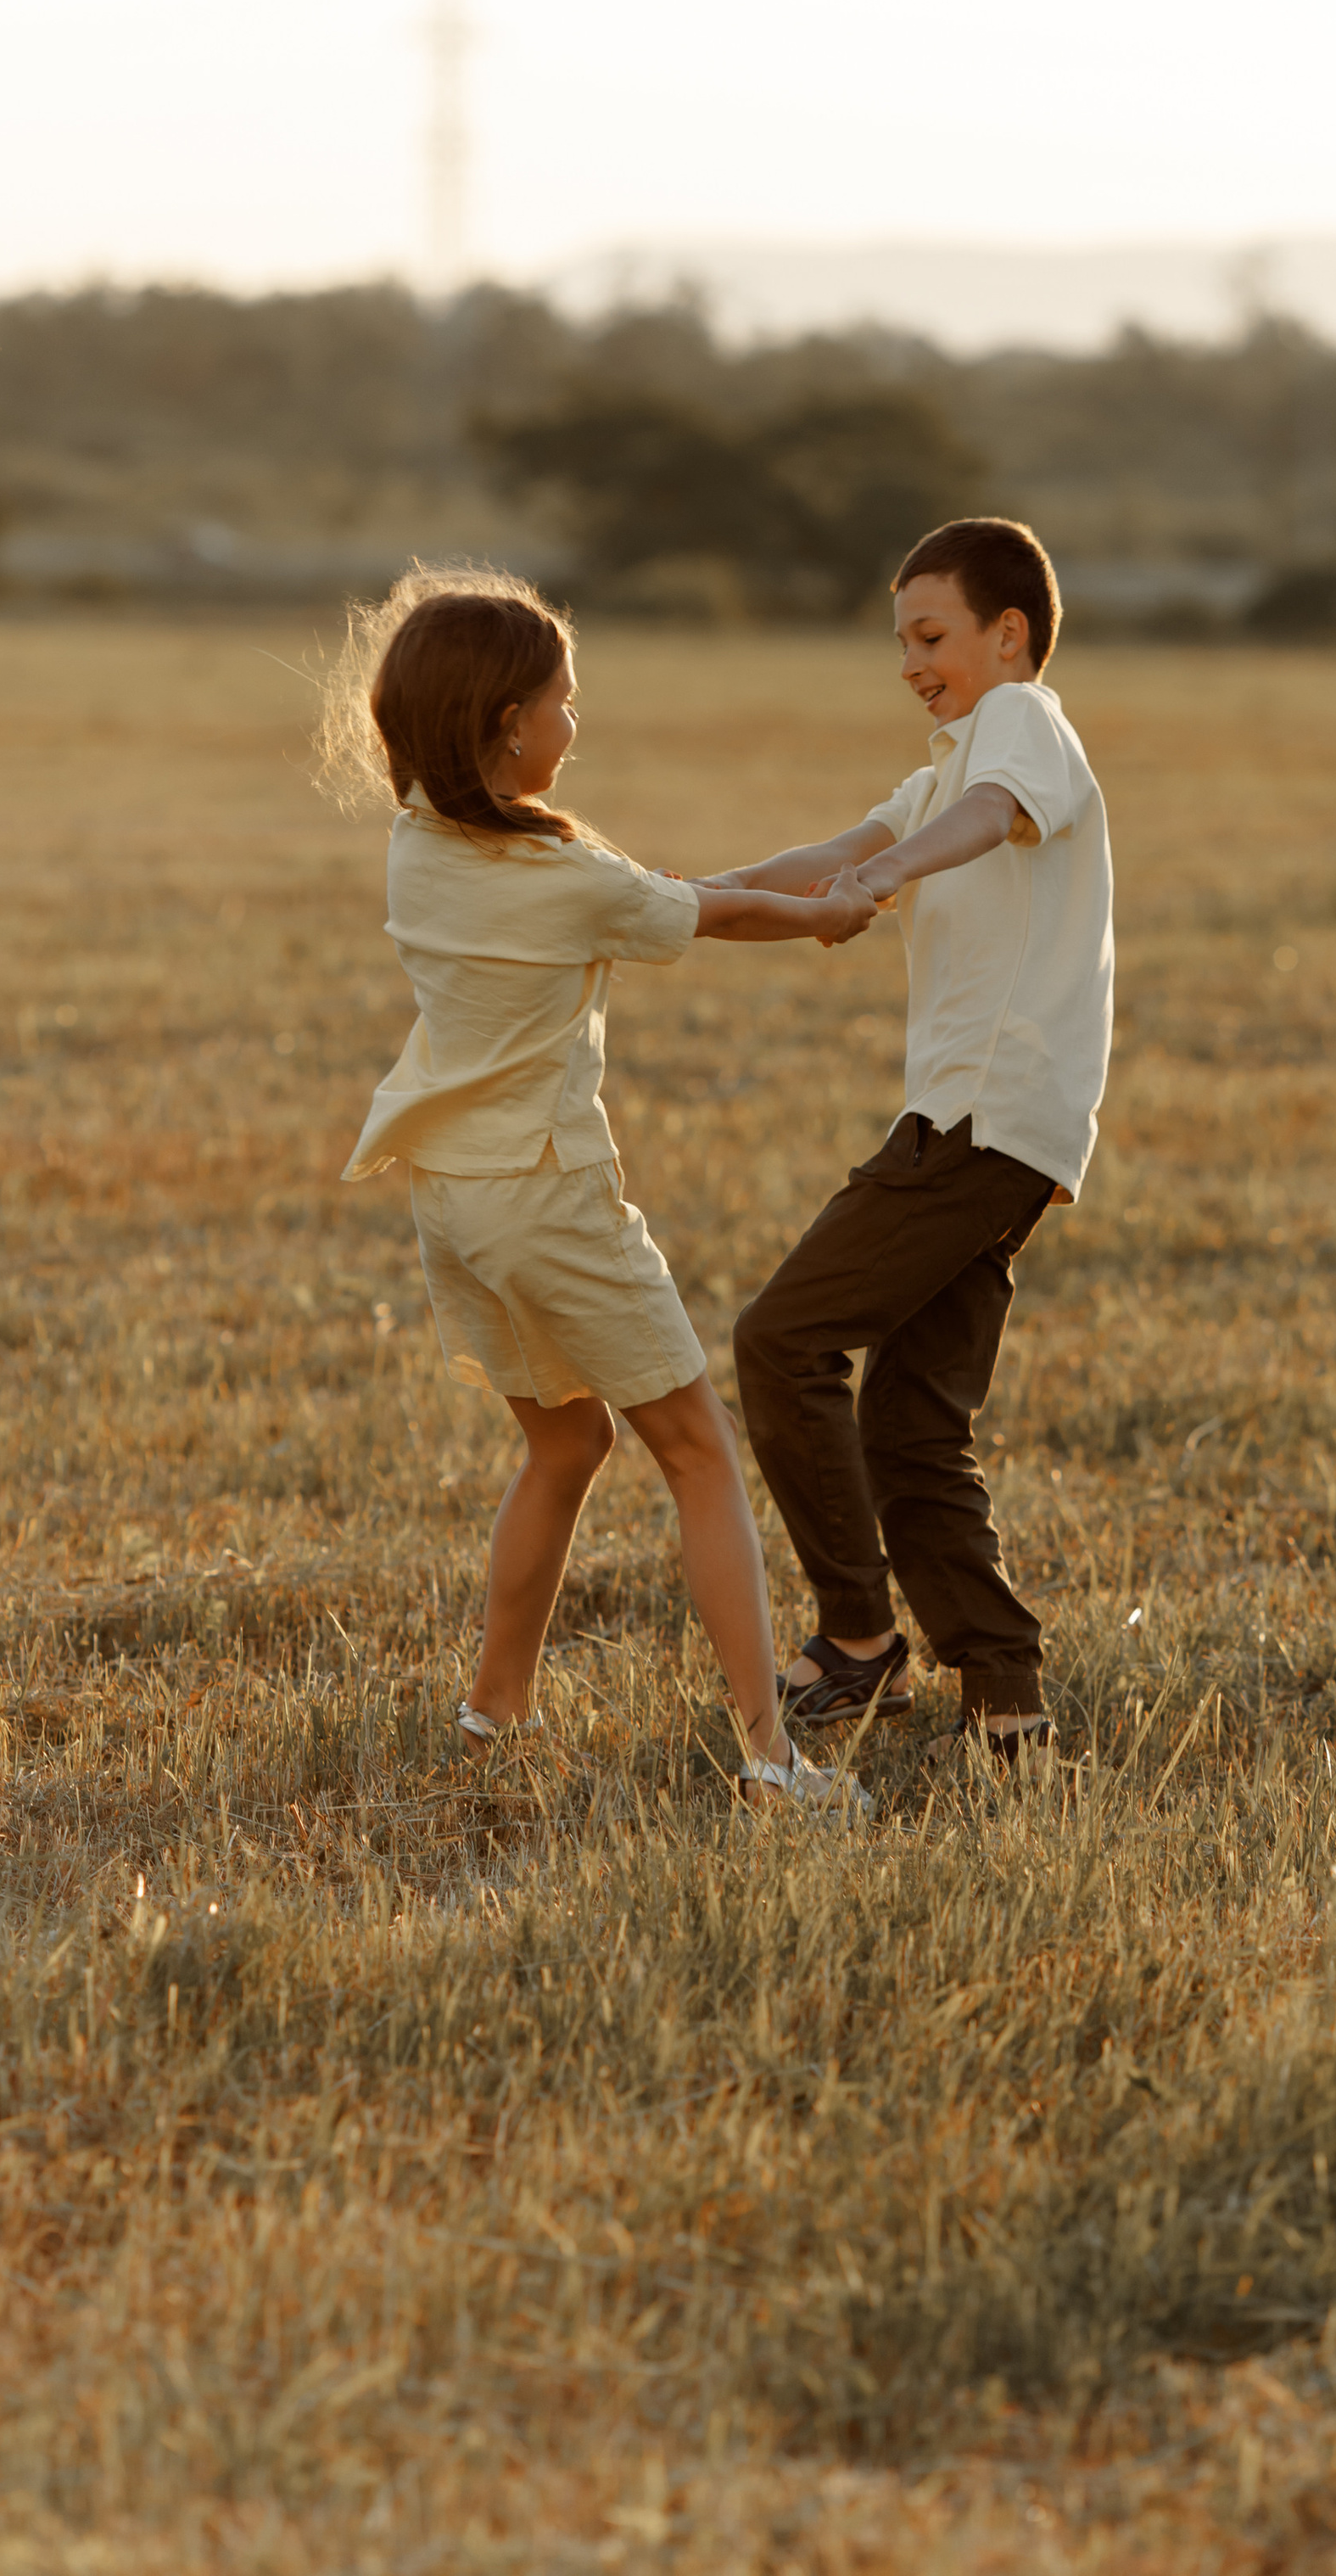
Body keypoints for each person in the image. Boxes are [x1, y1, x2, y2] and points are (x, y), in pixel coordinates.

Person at [319, 563, 875, 1810]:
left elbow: (672, 901)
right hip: (552, 1199)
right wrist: (833, 912)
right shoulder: (564, 879)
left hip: (455, 1206)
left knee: (567, 1440)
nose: (578, 723)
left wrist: (812, 875)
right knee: (698, 1453)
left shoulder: (420, 847)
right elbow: (714, 917)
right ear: (508, 723)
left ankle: (493, 1711)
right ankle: (772, 1759)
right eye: (566, 701)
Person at [710, 518, 1113, 1766]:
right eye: (902, 642)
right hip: (996, 1127)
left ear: (1011, 636)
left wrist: (876, 889)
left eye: (930, 636)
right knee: (913, 1427)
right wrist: (669, 905)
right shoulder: (944, 768)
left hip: (983, 1119)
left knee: (783, 1339)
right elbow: (839, 855)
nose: (911, 663)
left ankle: (857, 1641)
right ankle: (1007, 1704)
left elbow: (984, 821)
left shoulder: (1020, 726)